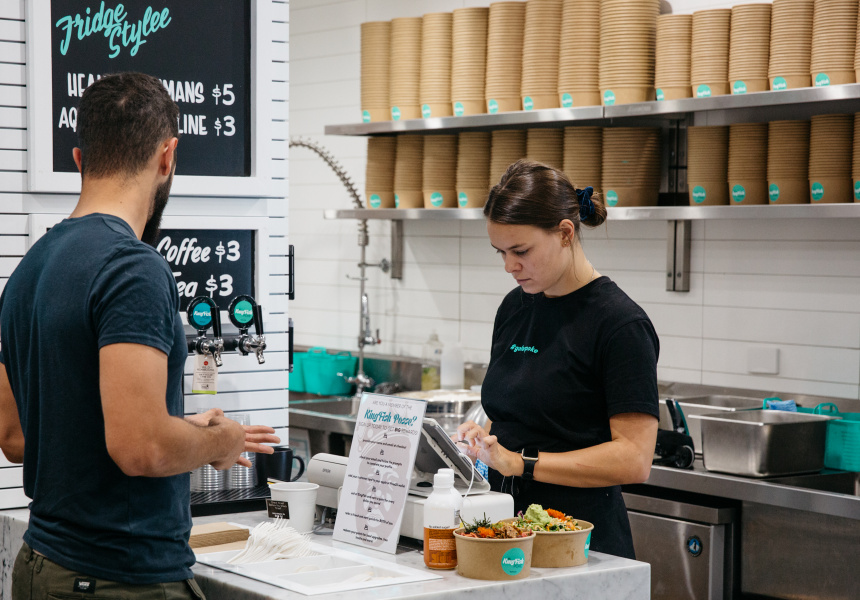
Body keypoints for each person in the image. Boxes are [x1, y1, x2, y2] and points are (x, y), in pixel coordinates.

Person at [0, 72, 280, 599]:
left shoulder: (29, 268)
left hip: (41, 567)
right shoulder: (133, 267)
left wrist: (173, 427)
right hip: (118, 578)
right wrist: (220, 442)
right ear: (167, 157)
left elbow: (15, 435)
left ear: (80, 159)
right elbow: (141, 448)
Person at [456, 159, 659, 559]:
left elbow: (634, 460)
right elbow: (518, 414)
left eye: (521, 251)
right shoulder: (515, 307)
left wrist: (522, 463)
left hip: (579, 543)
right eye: (501, 252)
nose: (509, 266)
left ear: (565, 233)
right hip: (506, 531)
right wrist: (483, 442)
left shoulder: (620, 324)